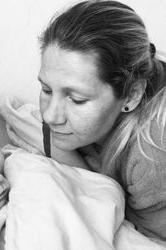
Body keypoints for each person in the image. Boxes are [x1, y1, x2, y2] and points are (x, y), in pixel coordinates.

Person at [38, 0, 166, 241]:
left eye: (76, 99)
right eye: (46, 89)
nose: (50, 115)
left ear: (131, 95)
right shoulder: (60, 109)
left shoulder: (152, 155)